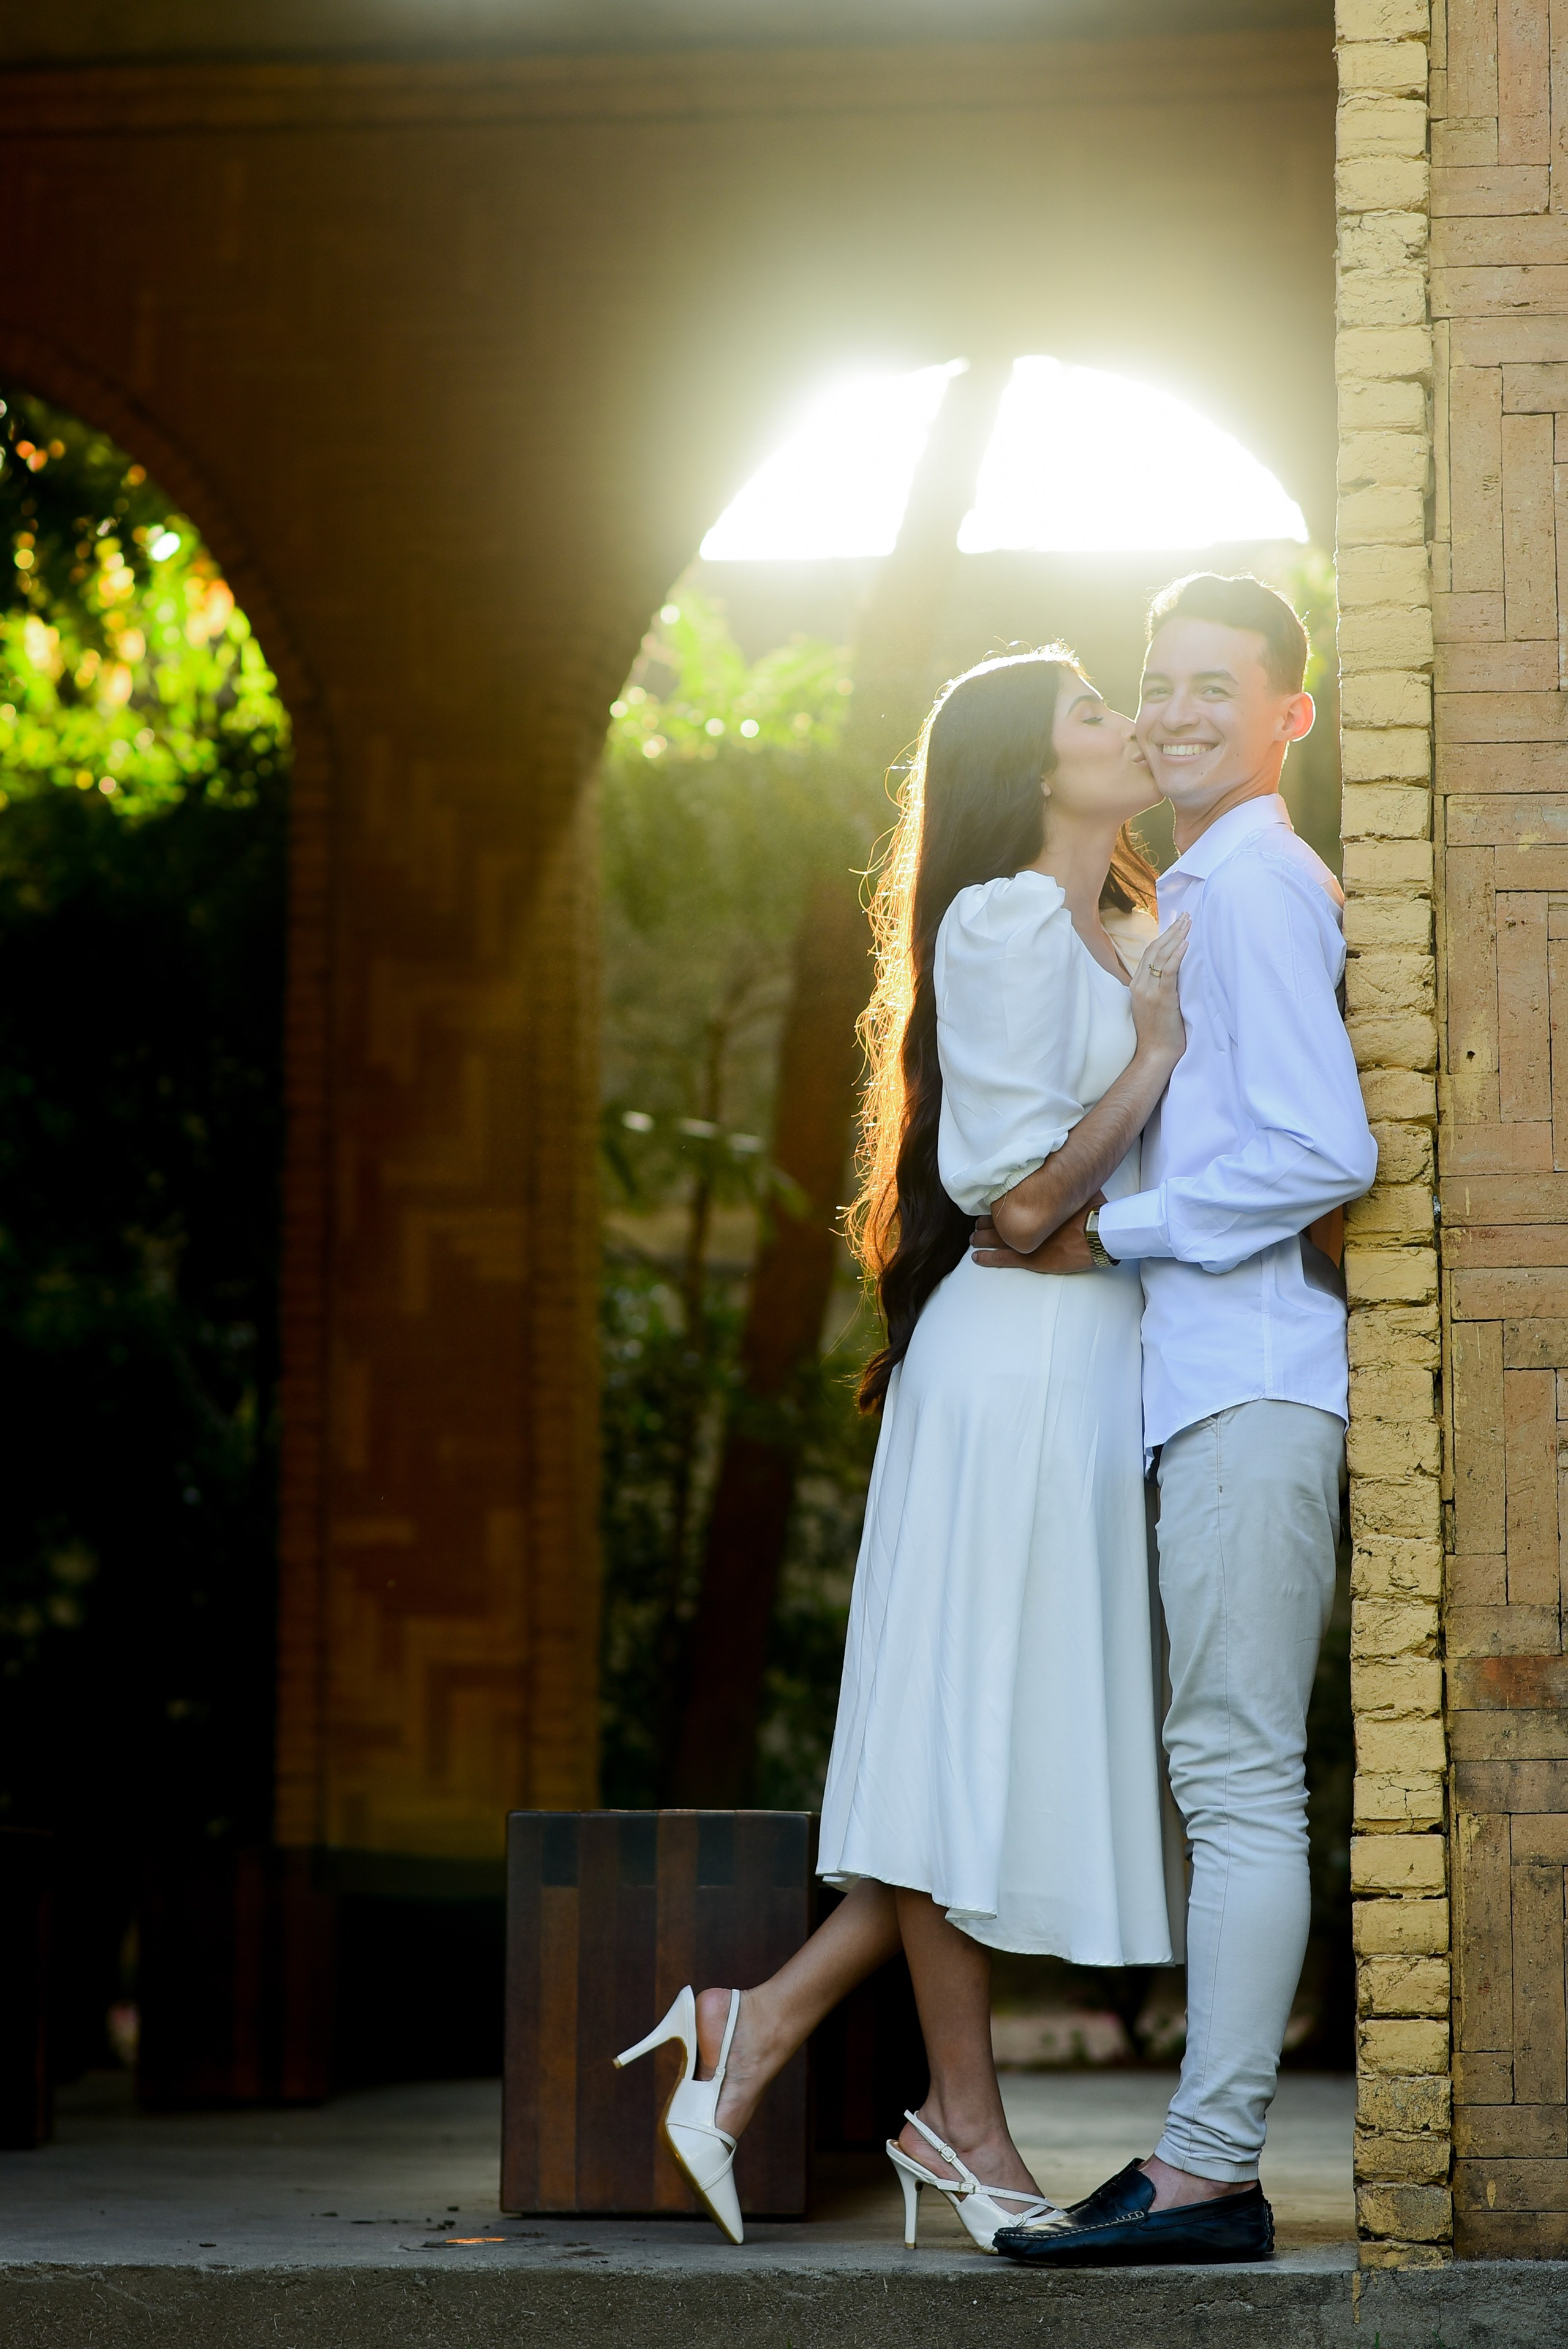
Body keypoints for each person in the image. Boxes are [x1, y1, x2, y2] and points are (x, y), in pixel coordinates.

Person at [614, 647, 1190, 2249]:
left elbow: (1090, 1214)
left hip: (1085, 1368)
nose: (1128, 727)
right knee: (967, 1751)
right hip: (1008, 1372)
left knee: (977, 1756)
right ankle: (942, 2110)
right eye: (1094, 712)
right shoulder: (1006, 917)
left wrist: (1115, 1219)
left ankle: (776, 2032)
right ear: (1029, 764)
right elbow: (1013, 1205)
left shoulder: (1139, 929)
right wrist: (1143, 1067)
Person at [974, 574, 1378, 2268]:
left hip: (1253, 1383)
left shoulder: (1259, 888)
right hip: (1215, 1390)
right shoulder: (1199, 887)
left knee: (1239, 1779)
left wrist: (1116, 1230)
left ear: (1288, 715)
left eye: (1218, 683)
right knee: (1228, 1775)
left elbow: (1322, 1151)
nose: (1178, 707)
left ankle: (1210, 2167)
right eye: (1158, 681)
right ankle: (1203, 2155)